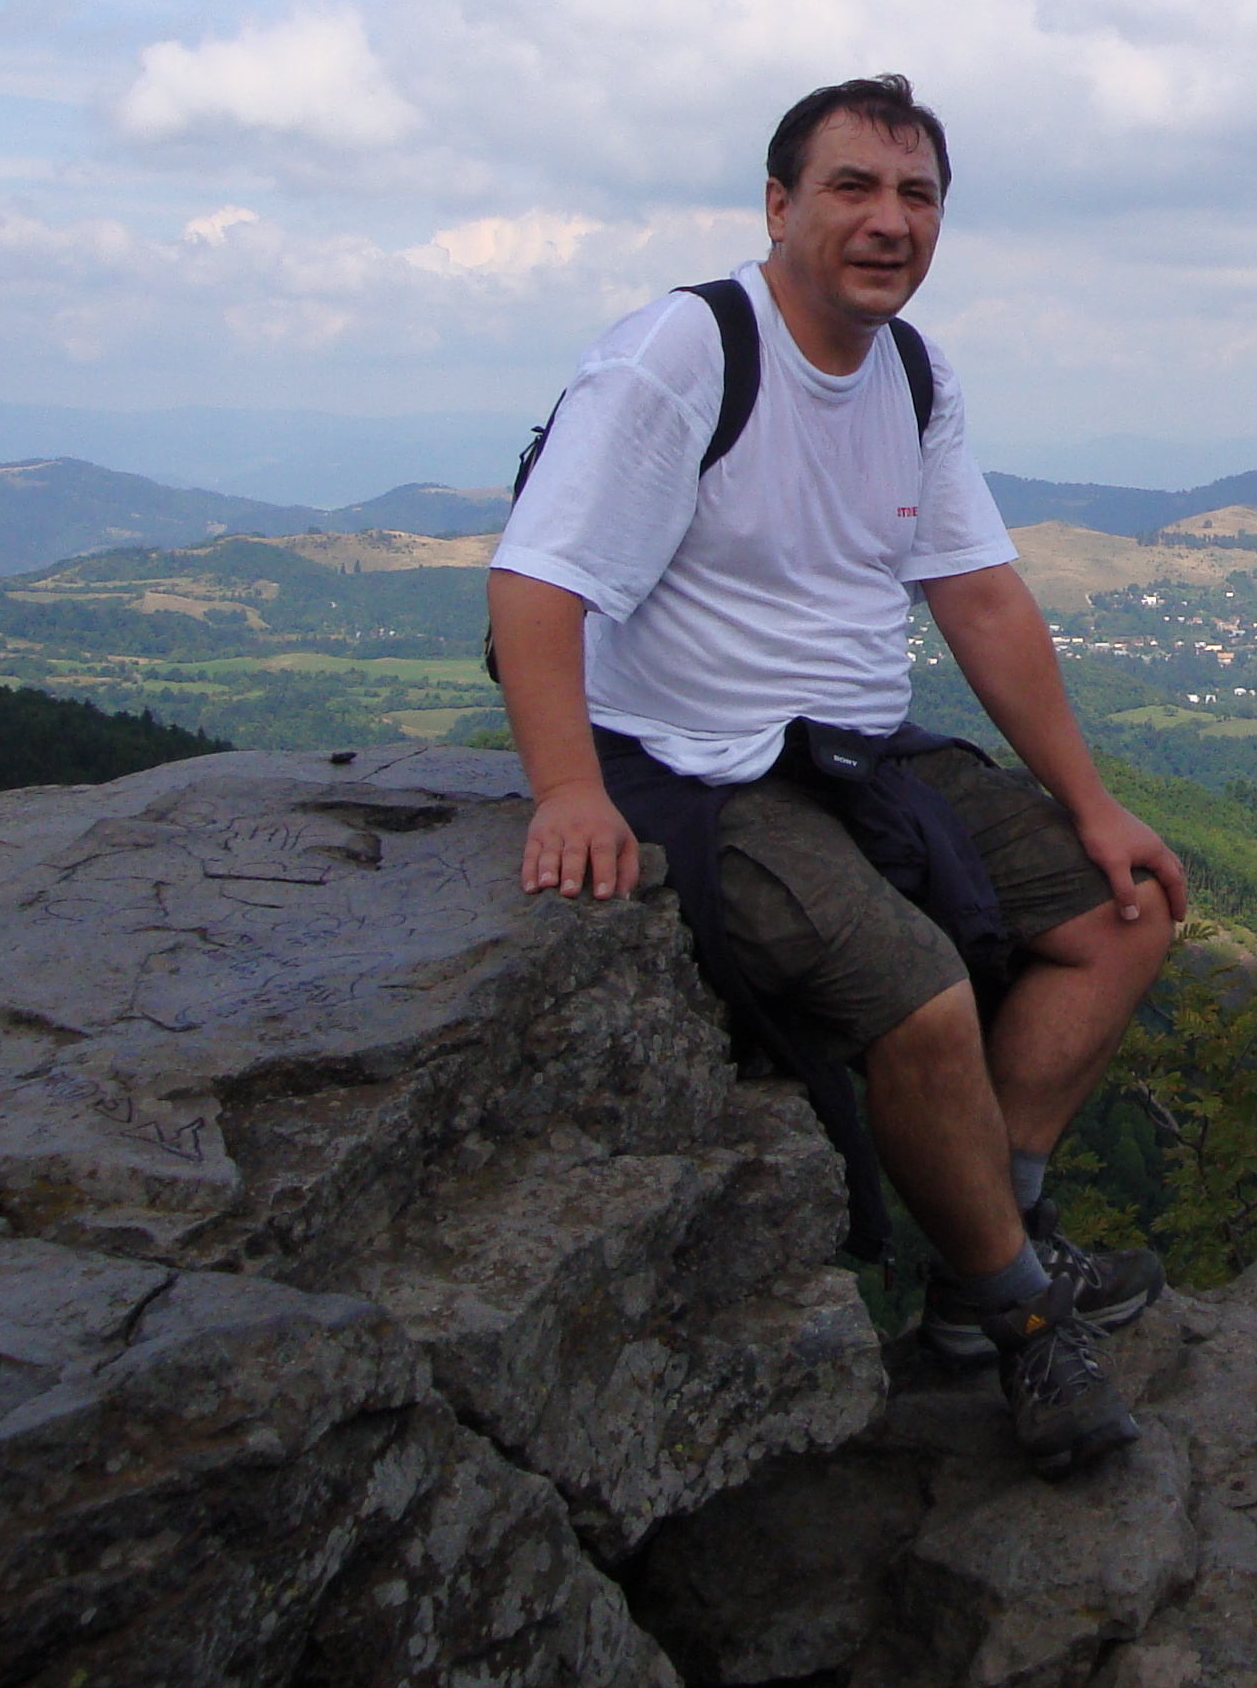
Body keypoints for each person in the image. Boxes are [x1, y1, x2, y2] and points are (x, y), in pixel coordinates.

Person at [486, 75, 1186, 1476]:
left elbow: (977, 593)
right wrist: (568, 791)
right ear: (778, 204)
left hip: (858, 751)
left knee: (1130, 911)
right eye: (853, 186)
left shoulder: (911, 371)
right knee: (918, 993)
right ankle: (1023, 1321)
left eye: (918, 195)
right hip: (695, 764)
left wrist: (1093, 806)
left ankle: (992, 1237)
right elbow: (537, 582)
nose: (889, 221)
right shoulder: (682, 354)